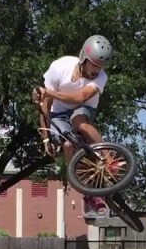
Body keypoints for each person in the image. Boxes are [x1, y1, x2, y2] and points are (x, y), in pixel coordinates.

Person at [34, 35, 120, 217]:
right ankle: (86, 191)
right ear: (84, 59)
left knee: (79, 122)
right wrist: (45, 138)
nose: (97, 71)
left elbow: (81, 97)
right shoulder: (60, 67)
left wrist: (50, 93)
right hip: (58, 115)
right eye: (94, 65)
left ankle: (109, 160)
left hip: (85, 108)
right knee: (67, 145)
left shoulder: (101, 78)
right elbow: (45, 107)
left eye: (101, 67)